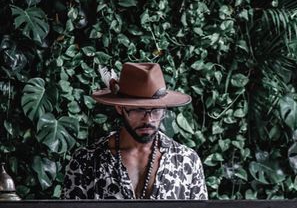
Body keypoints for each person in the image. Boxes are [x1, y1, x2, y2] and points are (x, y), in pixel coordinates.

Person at [62, 62, 208, 199]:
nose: (148, 120)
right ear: (120, 107)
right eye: (139, 110)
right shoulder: (86, 161)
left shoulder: (187, 160)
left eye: (156, 111)